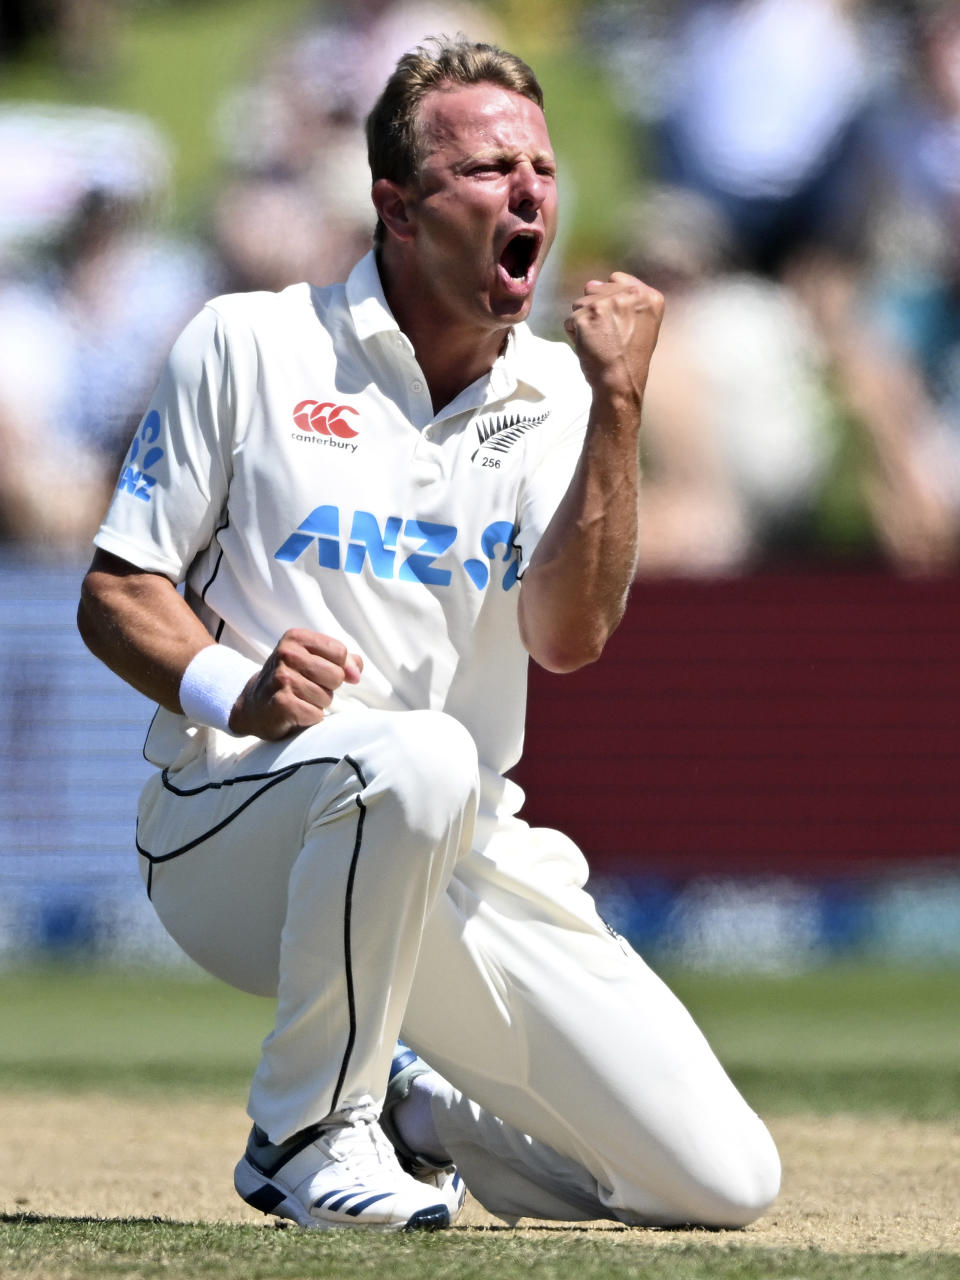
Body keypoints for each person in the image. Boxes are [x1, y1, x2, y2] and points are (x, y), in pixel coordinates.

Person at [77, 38, 780, 1232]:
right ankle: (306, 1131)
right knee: (416, 753)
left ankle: (423, 1117)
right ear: (396, 207)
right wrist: (236, 687)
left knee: (720, 1181)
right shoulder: (248, 344)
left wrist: (618, 405)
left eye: (544, 169)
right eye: (491, 168)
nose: (531, 193)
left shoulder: (562, 392)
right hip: (236, 824)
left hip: (458, 842)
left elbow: (568, 637)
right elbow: (117, 589)